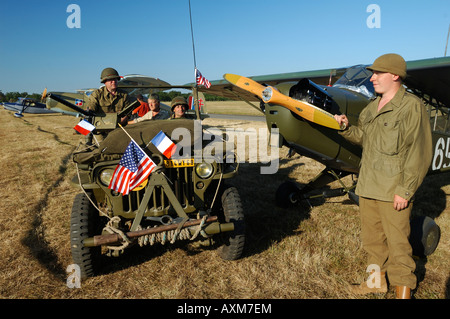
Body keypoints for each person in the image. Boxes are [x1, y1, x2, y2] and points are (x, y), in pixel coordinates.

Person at [334, 53, 432, 299]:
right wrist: (345, 127)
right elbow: (365, 138)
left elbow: (418, 153)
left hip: (392, 190)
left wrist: (405, 189)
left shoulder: (411, 107)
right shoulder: (372, 106)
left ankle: (403, 290)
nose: (373, 77)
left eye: (378, 73)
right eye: (373, 73)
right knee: (373, 243)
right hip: (368, 186)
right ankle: (376, 282)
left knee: (398, 244)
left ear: (395, 75)